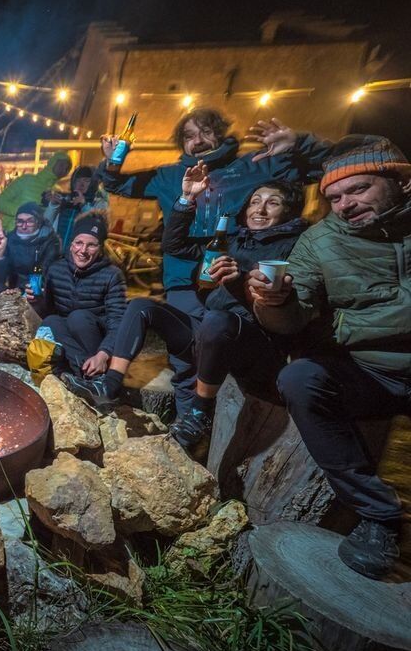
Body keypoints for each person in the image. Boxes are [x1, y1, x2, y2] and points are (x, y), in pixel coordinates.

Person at [246, 137, 411, 580]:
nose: (345, 204)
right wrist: (272, 302)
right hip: (369, 371)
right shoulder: (319, 242)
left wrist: (347, 325)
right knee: (301, 379)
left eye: (358, 190)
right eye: (334, 197)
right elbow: (296, 315)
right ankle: (378, 515)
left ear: (399, 181)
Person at [95, 111, 332, 417]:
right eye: (189, 136)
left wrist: (299, 142)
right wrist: (113, 160)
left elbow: (328, 166)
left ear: (220, 134)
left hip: (235, 279)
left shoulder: (255, 165)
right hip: (184, 278)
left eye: (205, 132)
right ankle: (188, 434)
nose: (198, 141)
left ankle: (230, 441)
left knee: (231, 364)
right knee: (185, 364)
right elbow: (116, 184)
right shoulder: (169, 176)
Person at [65, 175, 307, 451]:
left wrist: (239, 279)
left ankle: (198, 413)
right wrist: (185, 200)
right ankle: (109, 384)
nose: (260, 210)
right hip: (209, 331)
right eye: (255, 202)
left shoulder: (294, 246)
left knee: (217, 321)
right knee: (142, 306)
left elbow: (287, 306)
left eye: (272, 203)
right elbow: (175, 246)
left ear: (288, 211)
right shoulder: (234, 237)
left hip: (252, 340)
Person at [27, 213, 126, 379]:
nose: (83, 250)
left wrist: (103, 354)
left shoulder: (112, 275)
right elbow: (48, 312)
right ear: (71, 245)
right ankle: (86, 373)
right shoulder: (56, 269)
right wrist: (36, 301)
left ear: (100, 248)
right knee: (51, 321)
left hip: (98, 342)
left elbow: (119, 324)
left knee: (77, 317)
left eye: (91, 245)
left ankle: (96, 371)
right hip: (69, 343)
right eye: (79, 243)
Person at [0, 202, 62, 297]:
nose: (24, 226)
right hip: (14, 287)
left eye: (30, 221)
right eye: (20, 221)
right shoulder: (10, 239)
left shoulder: (49, 241)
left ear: (38, 222)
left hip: (37, 284)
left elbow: (44, 273)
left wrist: (23, 291)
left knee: (34, 291)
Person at [0, 152, 72, 233]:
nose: (63, 170)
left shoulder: (58, 191)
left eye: (67, 169)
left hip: (36, 239)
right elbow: (0, 202)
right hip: (12, 233)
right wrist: (24, 213)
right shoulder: (27, 180)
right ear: (52, 163)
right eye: (61, 165)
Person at [44, 165, 109, 244]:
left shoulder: (99, 203)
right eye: (78, 180)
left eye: (86, 180)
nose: (81, 184)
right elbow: (46, 225)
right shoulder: (66, 200)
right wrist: (53, 205)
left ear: (93, 183)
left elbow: (99, 228)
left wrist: (84, 205)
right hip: (58, 251)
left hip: (80, 252)